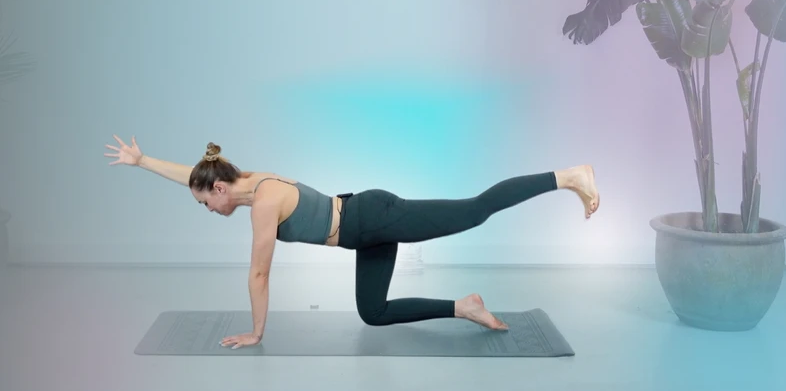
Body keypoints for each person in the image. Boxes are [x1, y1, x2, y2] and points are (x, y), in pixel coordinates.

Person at [105, 135, 600, 349]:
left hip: (373, 217)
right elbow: (193, 175)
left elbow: (258, 273)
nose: (207, 211)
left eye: (204, 203)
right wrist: (144, 162)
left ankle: (568, 175)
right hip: (363, 228)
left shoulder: (262, 204)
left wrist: (257, 332)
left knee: (473, 210)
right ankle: (465, 306)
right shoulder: (246, 180)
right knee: (374, 311)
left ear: (219, 190)